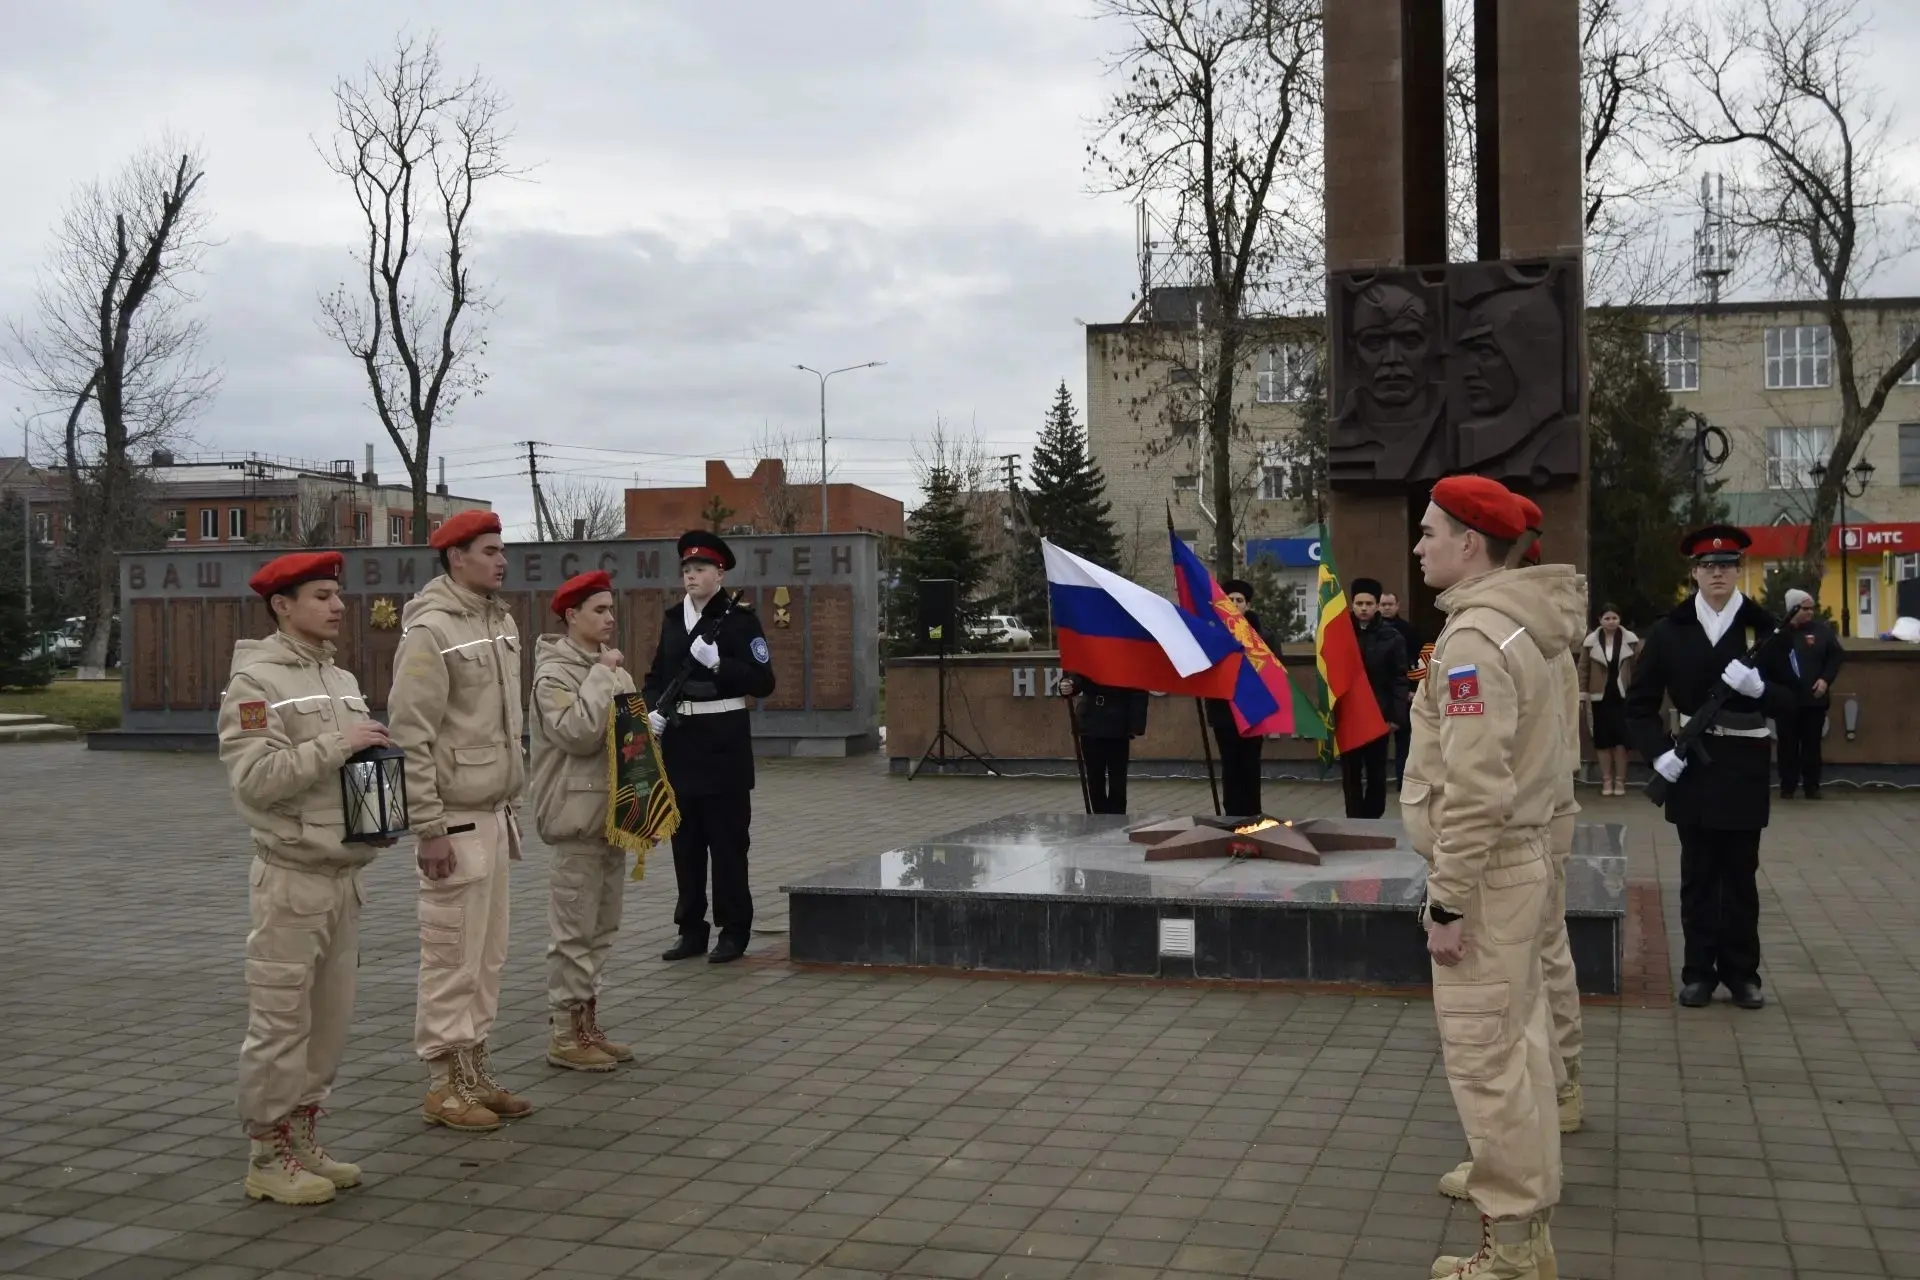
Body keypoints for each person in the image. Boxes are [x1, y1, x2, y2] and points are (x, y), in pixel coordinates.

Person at [1403, 474, 1583, 1279]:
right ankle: (1525, 1231)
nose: (1418, 546)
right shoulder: (1514, 627)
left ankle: (1509, 1251)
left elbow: (1477, 789)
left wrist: (1446, 902)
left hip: (1486, 876)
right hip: (1517, 864)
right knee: (1520, 1048)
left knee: (1487, 1060)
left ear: (1469, 543)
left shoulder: (1476, 641)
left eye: (1429, 532)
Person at [219, 551, 394, 1204]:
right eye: (321, 595)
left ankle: (301, 1134)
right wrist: (339, 744)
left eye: (336, 594)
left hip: (343, 873)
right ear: (282, 605)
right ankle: (267, 1154)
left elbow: (351, 770)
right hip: (291, 878)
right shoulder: (255, 682)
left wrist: (376, 814)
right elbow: (257, 779)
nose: (338, 606)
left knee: (328, 1024)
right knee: (281, 1021)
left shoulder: (338, 675)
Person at [388, 509, 533, 1132]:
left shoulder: (499, 620)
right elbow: (411, 735)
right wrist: (428, 828)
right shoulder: (431, 629)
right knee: (450, 957)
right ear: (456, 557)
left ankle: (475, 1070)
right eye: (490, 551)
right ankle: (443, 1085)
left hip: (494, 814)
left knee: (487, 956)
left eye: (502, 550)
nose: (502, 561)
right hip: (454, 819)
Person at [1627, 526, 1794, 1010]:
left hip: (1744, 767)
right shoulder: (1670, 630)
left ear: (1739, 570)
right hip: (1692, 768)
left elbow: (1797, 702)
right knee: (1698, 877)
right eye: (1707, 565)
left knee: (1740, 877)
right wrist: (1658, 753)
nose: (1717, 573)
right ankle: (1698, 973)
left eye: (1726, 565)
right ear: (1694, 573)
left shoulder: (1763, 630)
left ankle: (1742, 975)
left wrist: (1761, 690)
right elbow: (1639, 705)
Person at [643, 531, 777, 964]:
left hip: (723, 746)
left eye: (700, 569)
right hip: (681, 744)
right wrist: (652, 711)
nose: (691, 576)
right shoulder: (673, 619)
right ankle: (690, 929)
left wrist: (721, 663)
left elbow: (763, 681)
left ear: (719, 573)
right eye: (686, 569)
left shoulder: (739, 620)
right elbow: (656, 676)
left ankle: (733, 931)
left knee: (727, 845)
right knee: (686, 846)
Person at [528, 570, 638, 1072]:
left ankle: (588, 1025)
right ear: (571, 616)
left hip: (611, 817)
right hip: (574, 819)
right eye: (599, 610)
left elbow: (630, 740)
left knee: (601, 928)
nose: (610, 618)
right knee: (572, 933)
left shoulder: (609, 667)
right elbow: (578, 732)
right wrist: (601, 675)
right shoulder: (554, 674)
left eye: (611, 609)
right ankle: (564, 1034)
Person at [1765, 587, 1843, 799]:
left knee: (1812, 745)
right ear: (1792, 609)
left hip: (1814, 700)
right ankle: (1787, 785)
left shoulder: (1822, 632)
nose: (1810, 612)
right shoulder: (1779, 633)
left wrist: (1825, 679)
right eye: (1805, 609)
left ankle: (1812, 786)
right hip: (1786, 700)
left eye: (1812, 608)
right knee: (1787, 745)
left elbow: (1835, 657)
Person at [1342, 577, 1410, 818]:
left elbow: (1399, 679)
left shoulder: (1392, 637)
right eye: (1359, 603)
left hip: (1378, 714)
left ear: (1377, 606)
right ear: (1352, 605)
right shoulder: (1341, 634)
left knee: (1376, 772)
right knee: (1350, 771)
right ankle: (1354, 819)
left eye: (1369, 604)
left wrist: (1396, 716)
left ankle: (1372, 818)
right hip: (1349, 715)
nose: (1363, 608)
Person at [1204, 577, 1266, 817]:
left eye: (1239, 600)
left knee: (1250, 765)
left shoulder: (1263, 636)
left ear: (1247, 605)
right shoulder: (1213, 633)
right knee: (1230, 765)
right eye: (1230, 599)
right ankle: (1231, 815)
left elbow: (1274, 672)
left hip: (1253, 711)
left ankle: (1253, 814)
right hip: (1223, 712)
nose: (1235, 604)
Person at [1059, 673, 1149, 814]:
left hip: (1117, 724)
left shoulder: (1126, 662)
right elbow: (1078, 674)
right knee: (1094, 778)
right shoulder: (1089, 660)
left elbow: (1138, 689)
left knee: (1117, 780)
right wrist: (1069, 684)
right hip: (1090, 722)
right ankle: (1098, 818)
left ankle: (1117, 819)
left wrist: (1135, 725)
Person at [1581, 606, 1641, 796]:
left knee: (1622, 740)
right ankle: (1606, 780)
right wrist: (1582, 693)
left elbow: (1638, 668)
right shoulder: (1590, 642)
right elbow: (1583, 669)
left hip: (1623, 697)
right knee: (1603, 740)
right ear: (1600, 620)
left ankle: (1620, 781)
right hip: (1599, 697)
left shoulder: (1630, 641)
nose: (1611, 621)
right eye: (1607, 618)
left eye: (1615, 618)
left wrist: (1637, 691)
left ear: (1619, 619)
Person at [1379, 590, 1420, 781]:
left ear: (1397, 606)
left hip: (1403, 692)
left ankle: (1403, 780)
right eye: (1383, 605)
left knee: (1404, 739)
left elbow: (1417, 663)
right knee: (1378, 740)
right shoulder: (1373, 630)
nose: (1386, 608)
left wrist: (1413, 689)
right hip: (1380, 692)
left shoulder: (1408, 630)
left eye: (1390, 604)